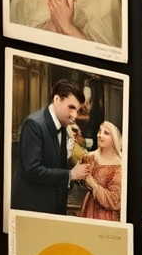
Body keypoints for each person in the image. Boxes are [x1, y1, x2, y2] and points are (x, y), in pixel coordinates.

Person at [11, 78, 90, 215]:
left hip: (54, 209)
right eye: (71, 107)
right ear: (57, 99)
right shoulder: (33, 124)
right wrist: (70, 175)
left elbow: (55, 165)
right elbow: (32, 170)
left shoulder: (63, 126)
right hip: (34, 209)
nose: (75, 116)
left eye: (77, 110)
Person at [78, 121, 123, 221]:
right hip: (88, 208)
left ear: (114, 139)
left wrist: (93, 185)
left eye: (106, 133)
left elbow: (115, 200)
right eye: (99, 131)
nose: (100, 135)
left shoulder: (119, 165)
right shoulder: (89, 157)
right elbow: (76, 178)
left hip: (107, 215)